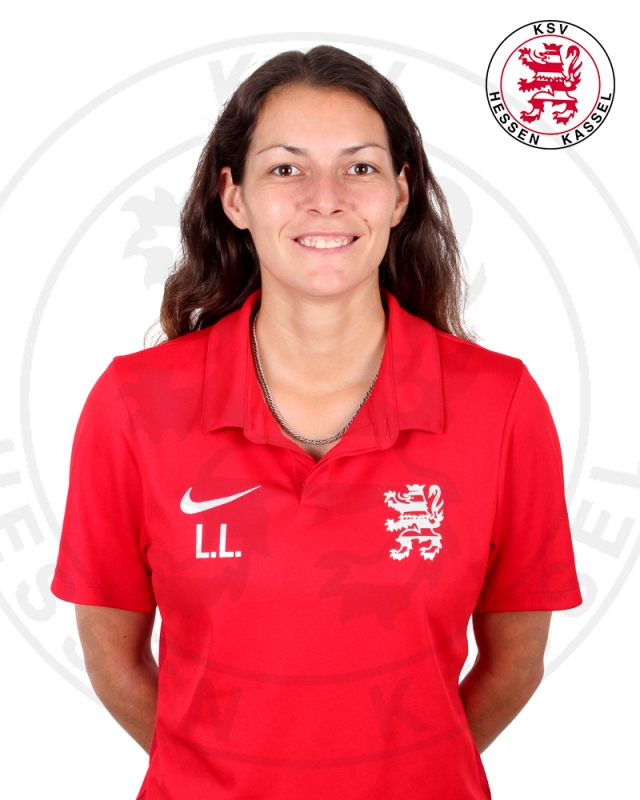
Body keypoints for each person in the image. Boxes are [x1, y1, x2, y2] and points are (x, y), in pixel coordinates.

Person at [51, 45, 582, 800]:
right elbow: (113, 660)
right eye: (285, 168)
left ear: (400, 195)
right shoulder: (133, 405)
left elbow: (515, 661)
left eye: (360, 167)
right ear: (234, 197)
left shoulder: (501, 404)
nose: (325, 198)